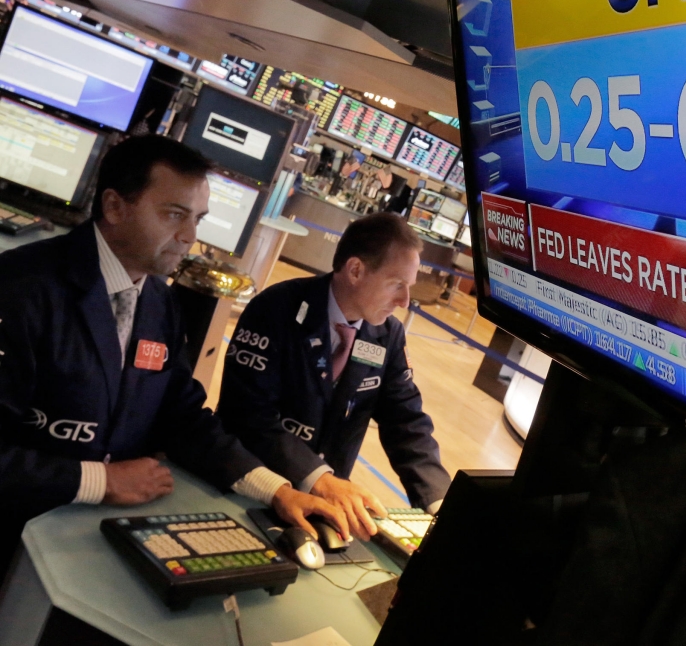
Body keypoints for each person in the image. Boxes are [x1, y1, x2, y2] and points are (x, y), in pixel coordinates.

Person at [0, 136, 344, 580]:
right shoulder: (22, 289)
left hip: (90, 544)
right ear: (115, 206)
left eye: (197, 218)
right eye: (174, 214)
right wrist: (97, 481)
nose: (189, 236)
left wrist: (275, 488)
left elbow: (181, 416)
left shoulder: (159, 304)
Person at [217, 213, 451, 542]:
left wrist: (441, 503)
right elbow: (248, 416)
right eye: (396, 284)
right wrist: (318, 478)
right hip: (250, 488)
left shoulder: (387, 335)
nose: (404, 301)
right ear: (355, 270)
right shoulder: (275, 309)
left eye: (409, 287)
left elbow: (406, 422)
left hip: (325, 510)